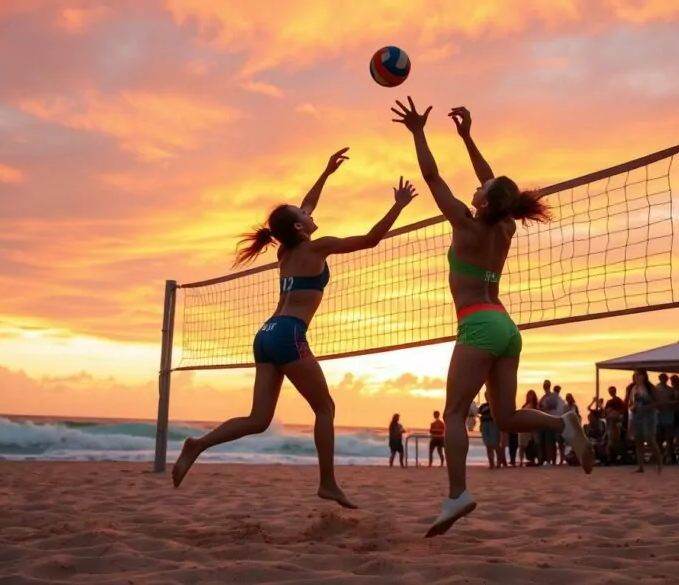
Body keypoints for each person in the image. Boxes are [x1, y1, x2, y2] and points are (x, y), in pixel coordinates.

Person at [391, 98, 593, 538]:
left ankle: (458, 493)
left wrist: (418, 132)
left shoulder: (466, 224)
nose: (476, 188)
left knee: (456, 411)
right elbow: (494, 182)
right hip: (506, 326)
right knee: (504, 417)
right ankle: (562, 424)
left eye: (482, 190)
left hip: (480, 324)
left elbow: (431, 176)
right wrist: (466, 137)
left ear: (484, 202)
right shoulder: (505, 226)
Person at [172, 149, 418, 509]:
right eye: (304, 215)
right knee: (326, 409)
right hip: (288, 333)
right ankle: (328, 483)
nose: (308, 212)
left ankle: (198, 444)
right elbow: (370, 239)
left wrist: (326, 172)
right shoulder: (319, 246)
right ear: (301, 228)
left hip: (266, 334)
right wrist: (399, 205)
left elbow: (305, 205)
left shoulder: (284, 252)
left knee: (258, 419)